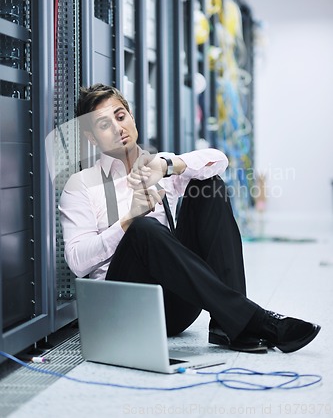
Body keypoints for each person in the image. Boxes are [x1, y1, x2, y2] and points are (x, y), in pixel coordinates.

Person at [59, 83, 321, 354]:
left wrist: (166, 166)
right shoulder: (80, 185)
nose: (117, 128)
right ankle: (255, 320)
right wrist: (127, 221)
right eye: (104, 124)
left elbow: (219, 160)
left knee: (210, 185)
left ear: (132, 117)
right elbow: (77, 262)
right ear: (91, 137)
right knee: (142, 228)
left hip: (176, 307)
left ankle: (227, 323)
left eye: (121, 116)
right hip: (126, 307)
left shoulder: (159, 165)